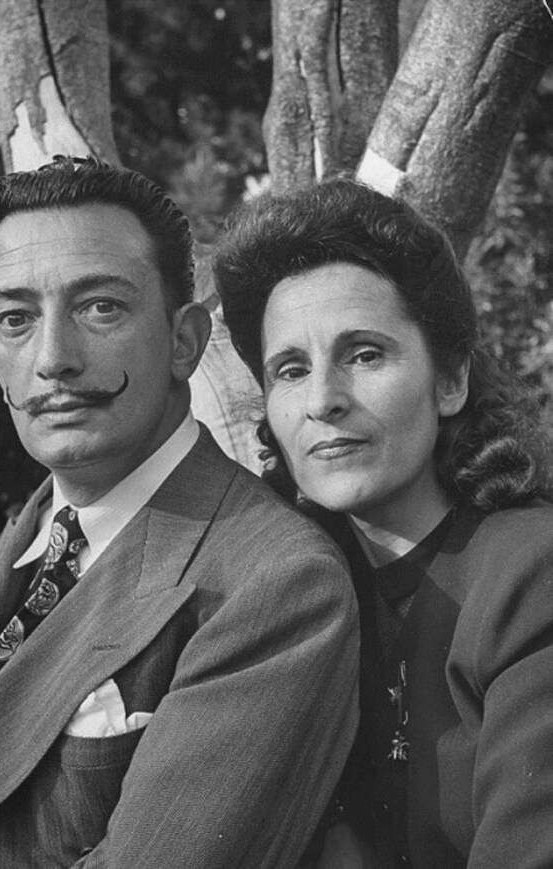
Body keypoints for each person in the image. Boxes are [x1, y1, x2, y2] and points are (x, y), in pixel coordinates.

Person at [0, 157, 360, 869]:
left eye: (100, 307)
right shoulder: (40, 525)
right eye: (15, 319)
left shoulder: (278, 580)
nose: (53, 358)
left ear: (184, 341)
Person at [213, 178, 553, 869]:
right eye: (290, 369)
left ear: (450, 380)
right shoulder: (286, 586)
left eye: (364, 354)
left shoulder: (529, 573)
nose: (323, 400)